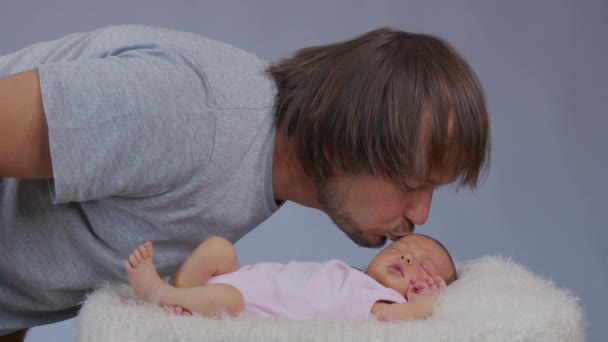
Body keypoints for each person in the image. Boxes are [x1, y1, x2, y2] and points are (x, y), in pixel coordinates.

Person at [0, 24, 489, 338]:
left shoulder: (261, 168)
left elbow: (36, 257)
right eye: (410, 184)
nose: (421, 216)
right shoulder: (184, 112)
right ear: (338, 147)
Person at [125, 234, 457, 321]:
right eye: (403, 247)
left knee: (229, 299)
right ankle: (184, 299)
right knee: (219, 248)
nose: (407, 257)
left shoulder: (386, 300)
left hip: (242, 303)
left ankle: (158, 293)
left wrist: (427, 304)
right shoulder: (355, 276)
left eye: (423, 267)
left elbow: (391, 319)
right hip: (238, 277)